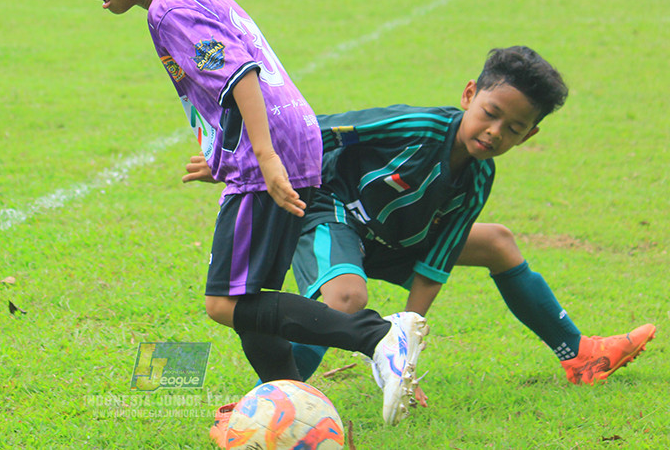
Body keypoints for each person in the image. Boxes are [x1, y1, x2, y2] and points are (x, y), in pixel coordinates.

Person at [70, 0, 430, 433]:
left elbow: (241, 75)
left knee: (223, 302)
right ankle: (293, 408)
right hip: (290, 137)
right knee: (247, 294)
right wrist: (222, 153)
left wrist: (261, 157)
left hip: (273, 150)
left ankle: (377, 336)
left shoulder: (168, 9)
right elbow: (224, 84)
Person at [187, 47, 655, 407]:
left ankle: (579, 355)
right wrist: (244, 160)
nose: (495, 132)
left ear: (529, 135)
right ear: (469, 95)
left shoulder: (478, 178)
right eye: (491, 114)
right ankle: (268, 401)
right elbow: (320, 129)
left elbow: (436, 264)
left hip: (388, 238)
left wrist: (403, 358)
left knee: (497, 242)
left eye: (513, 129)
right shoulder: (418, 126)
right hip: (327, 208)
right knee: (346, 299)